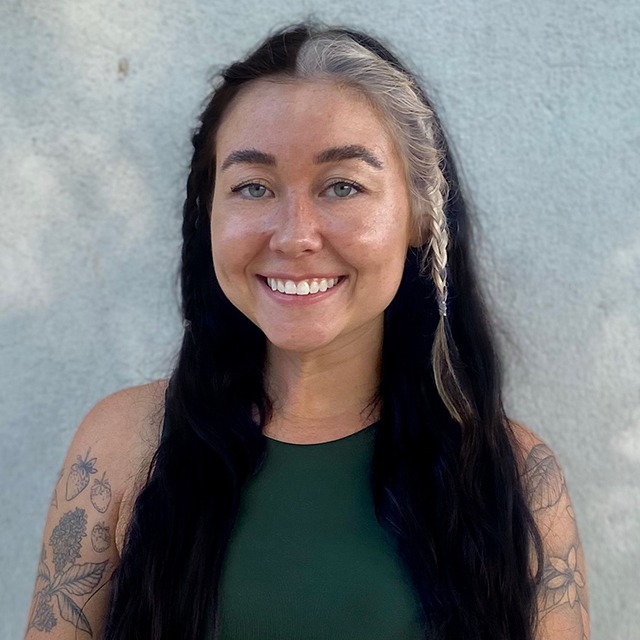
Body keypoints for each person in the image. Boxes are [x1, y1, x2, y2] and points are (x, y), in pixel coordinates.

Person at [24, 23, 589, 640]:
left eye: (343, 186)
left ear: (420, 214)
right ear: (208, 212)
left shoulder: (515, 478)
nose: (295, 235)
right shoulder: (122, 448)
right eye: (253, 187)